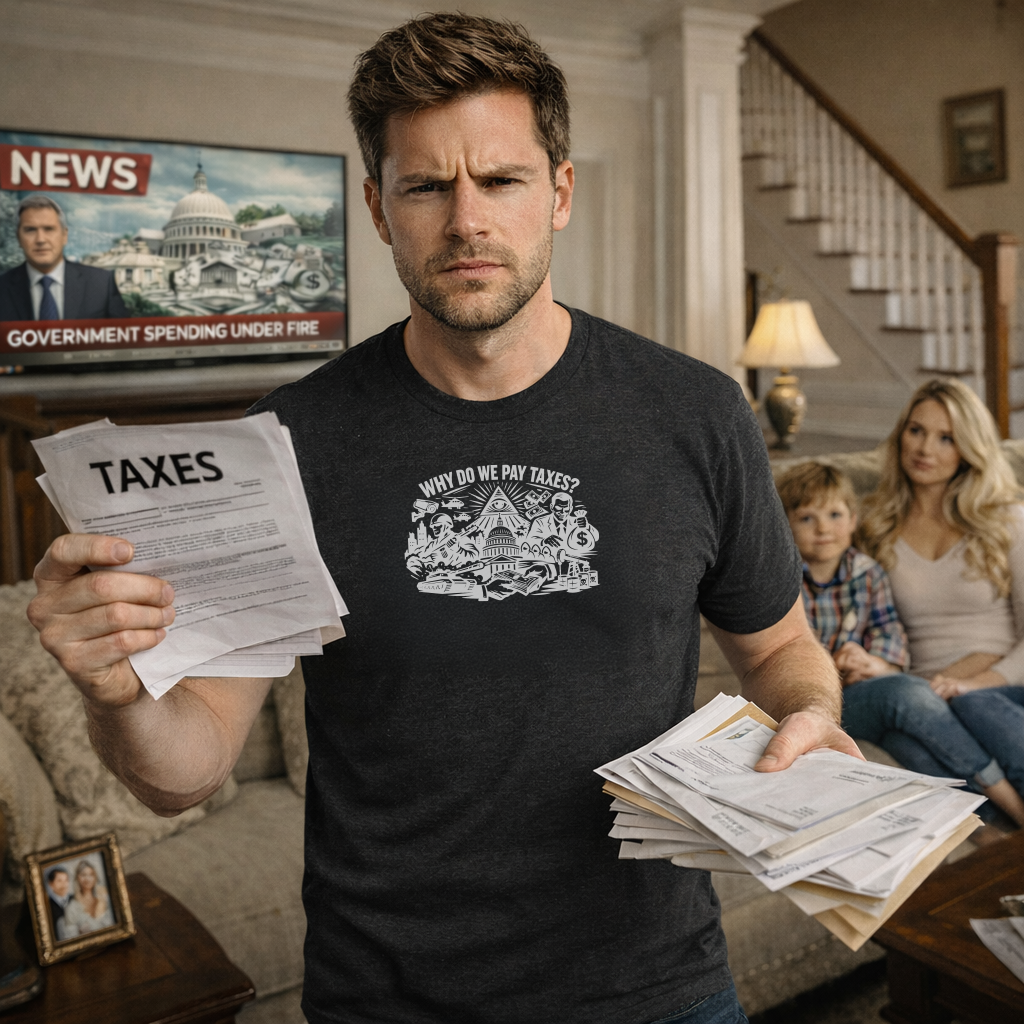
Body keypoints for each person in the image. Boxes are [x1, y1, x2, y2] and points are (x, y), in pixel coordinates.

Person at [26, 15, 863, 1024]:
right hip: (388, 999)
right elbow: (185, 765)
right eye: (427, 186)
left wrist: (810, 713)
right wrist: (118, 695)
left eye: (500, 180)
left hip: (658, 987)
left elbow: (778, 648)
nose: (466, 220)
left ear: (557, 192)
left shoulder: (697, 413)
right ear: (379, 208)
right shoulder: (282, 443)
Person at [777, 460, 1024, 826]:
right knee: (905, 693)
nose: (824, 528)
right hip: (823, 698)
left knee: (904, 739)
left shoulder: (868, 572)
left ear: (853, 520)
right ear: (786, 526)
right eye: (807, 519)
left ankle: (987, 833)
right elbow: (784, 650)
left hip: (872, 688)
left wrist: (874, 662)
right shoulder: (783, 579)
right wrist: (830, 664)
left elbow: (889, 637)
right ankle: (1011, 802)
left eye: (834, 514)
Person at [858, 377, 1024, 828]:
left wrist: (970, 684)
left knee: (970, 709)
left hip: (1000, 686)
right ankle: (995, 847)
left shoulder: (1007, 517)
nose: (925, 448)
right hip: (924, 692)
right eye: (916, 430)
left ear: (969, 447)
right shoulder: (873, 526)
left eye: (946, 437)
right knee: (905, 734)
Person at [0, 195, 128, 322]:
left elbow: (126, 339)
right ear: (18, 238)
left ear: (64, 235)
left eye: (49, 229)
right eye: (30, 230)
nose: (40, 239)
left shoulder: (101, 284)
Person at [61, 860, 114, 937]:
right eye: (83, 875)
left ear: (95, 877)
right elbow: (71, 937)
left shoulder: (105, 900)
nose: (87, 879)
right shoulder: (71, 908)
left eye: (91, 875)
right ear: (78, 878)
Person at [45, 867, 73, 941]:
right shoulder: (46, 906)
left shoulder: (75, 899)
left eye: (66, 880)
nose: (64, 885)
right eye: (59, 881)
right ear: (51, 883)